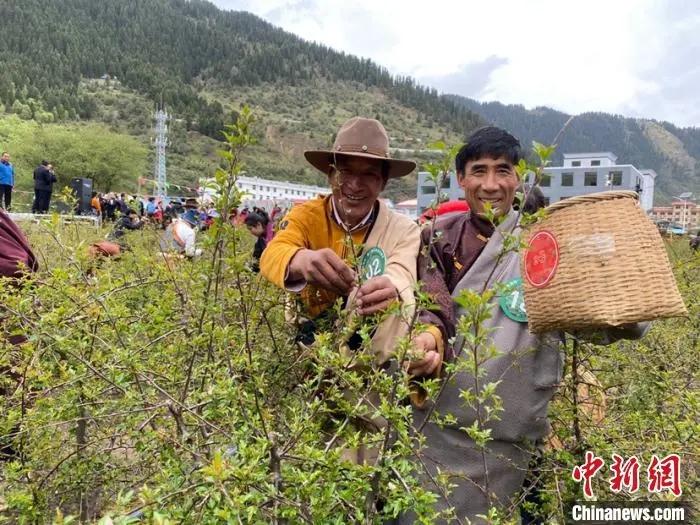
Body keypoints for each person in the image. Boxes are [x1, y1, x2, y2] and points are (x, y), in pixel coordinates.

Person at [402, 127, 648, 523]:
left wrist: (625, 310)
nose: (491, 184)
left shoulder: (546, 242)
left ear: (519, 177)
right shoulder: (438, 239)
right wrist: (427, 338)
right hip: (438, 430)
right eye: (478, 171)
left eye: (503, 170)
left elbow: (588, 314)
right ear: (460, 178)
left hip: (513, 439)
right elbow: (432, 303)